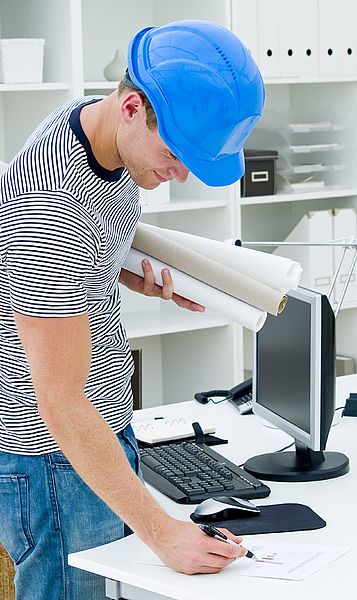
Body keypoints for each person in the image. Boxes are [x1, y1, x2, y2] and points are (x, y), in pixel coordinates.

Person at [0, 19, 265, 600]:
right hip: (54, 457)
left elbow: (77, 248)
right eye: (175, 153)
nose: (181, 173)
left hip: (99, 432)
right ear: (132, 107)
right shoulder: (48, 204)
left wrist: (121, 273)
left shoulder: (102, 134)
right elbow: (61, 407)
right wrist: (162, 532)